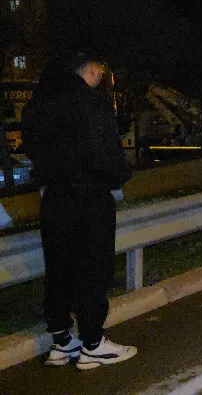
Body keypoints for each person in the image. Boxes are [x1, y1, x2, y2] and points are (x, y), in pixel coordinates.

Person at [21, 50, 137, 369]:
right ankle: (93, 344)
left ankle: (62, 340)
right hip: (89, 197)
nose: (100, 75)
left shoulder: (36, 106)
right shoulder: (91, 103)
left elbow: (31, 149)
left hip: (54, 197)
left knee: (59, 268)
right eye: (98, 69)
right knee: (92, 269)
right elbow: (105, 154)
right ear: (87, 70)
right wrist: (121, 176)